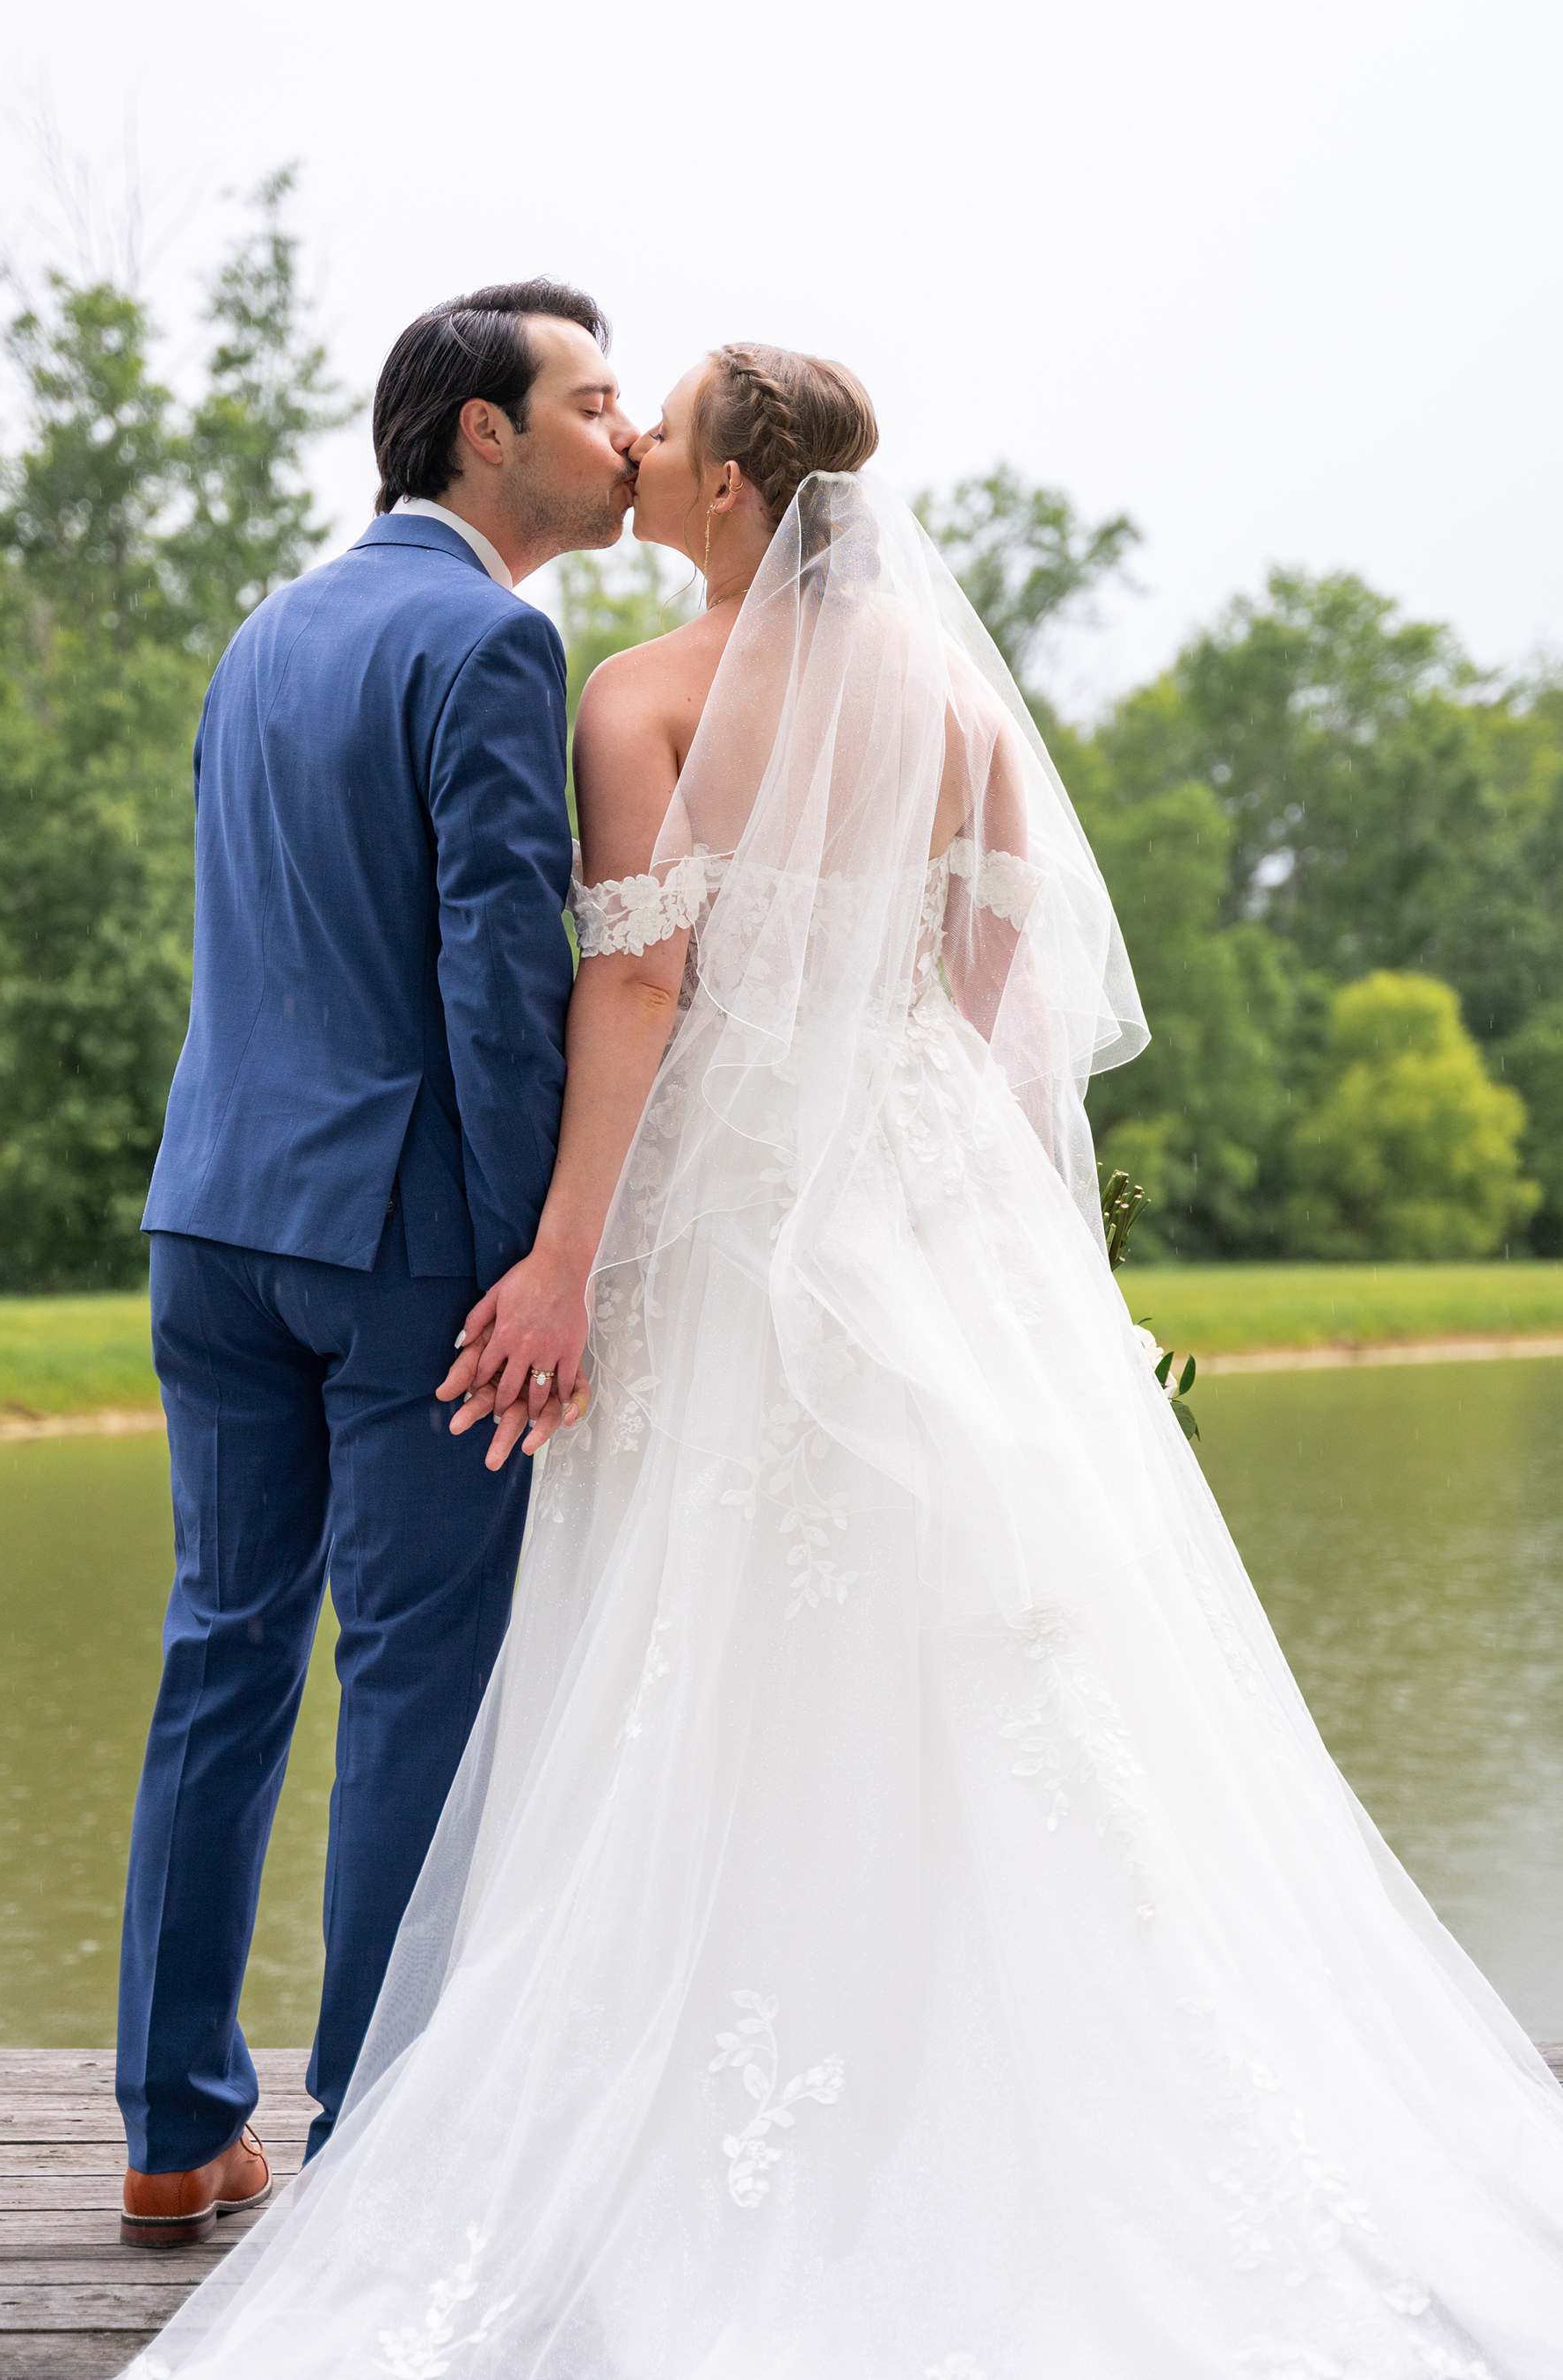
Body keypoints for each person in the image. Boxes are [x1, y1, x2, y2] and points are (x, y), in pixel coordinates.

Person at [127, 348, 1563, 2373]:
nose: (637, 447)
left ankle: (285, 2122)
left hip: (628, 1208)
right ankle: (968, 2078)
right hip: (920, 1200)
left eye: (662, 425)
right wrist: (944, 1196)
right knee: (971, 1657)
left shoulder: (630, 691)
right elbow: (988, 991)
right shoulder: (957, 703)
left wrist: (565, 1250)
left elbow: (637, 984)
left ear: (727, 491)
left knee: (611, 1653)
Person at [116, 281, 635, 2246]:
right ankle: (375, 2153)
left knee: (223, 1654)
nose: (624, 436)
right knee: (416, 1680)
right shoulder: (495, 638)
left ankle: (174, 2129)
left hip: (211, 1217)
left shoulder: (266, 627)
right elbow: (500, 971)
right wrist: (533, 1262)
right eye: (592, 401)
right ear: (483, 432)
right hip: (404, 1241)